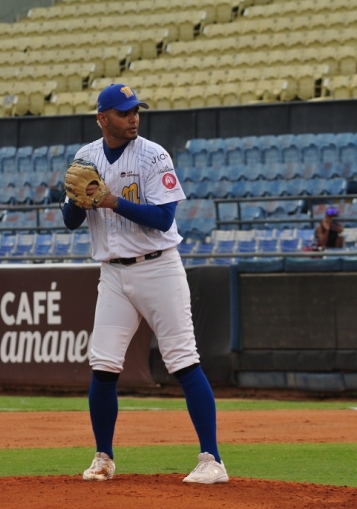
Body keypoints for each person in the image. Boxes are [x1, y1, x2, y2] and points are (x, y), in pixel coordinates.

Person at [61, 84, 228, 485]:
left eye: (136, 110)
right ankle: (103, 457)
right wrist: (74, 200)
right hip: (113, 273)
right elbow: (69, 222)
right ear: (103, 118)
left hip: (158, 268)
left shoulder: (154, 155)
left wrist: (111, 201)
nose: (133, 117)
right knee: (103, 366)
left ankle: (212, 460)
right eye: (123, 112)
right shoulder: (86, 157)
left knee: (183, 361)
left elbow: (163, 218)